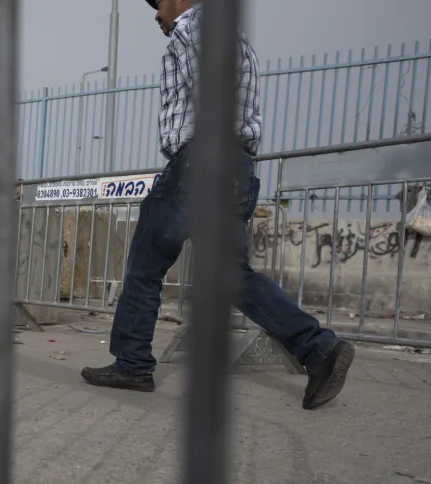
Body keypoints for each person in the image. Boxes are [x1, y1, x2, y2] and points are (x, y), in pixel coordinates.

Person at [80, 0, 354, 411]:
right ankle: (318, 349)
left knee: (144, 266)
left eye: (158, 5)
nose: (157, 16)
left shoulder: (194, 28)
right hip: (237, 165)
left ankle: (133, 363)